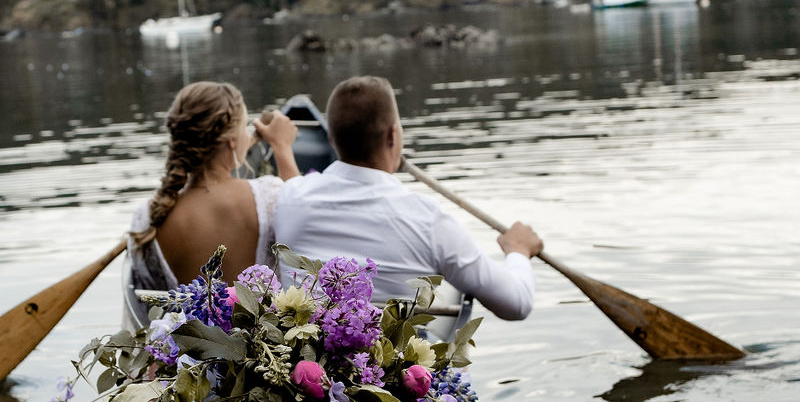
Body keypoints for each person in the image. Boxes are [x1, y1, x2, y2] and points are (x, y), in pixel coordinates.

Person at [273, 75, 542, 325]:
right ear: (392, 136)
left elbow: (295, 187)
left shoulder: (288, 198)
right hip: (398, 374)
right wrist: (517, 250)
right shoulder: (428, 220)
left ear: (331, 138)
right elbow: (516, 303)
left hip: (308, 369)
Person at [123, 81, 299, 326]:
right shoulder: (270, 194)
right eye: (244, 127)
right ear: (231, 141)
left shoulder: (148, 216)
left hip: (189, 360)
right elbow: (306, 221)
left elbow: (148, 303)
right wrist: (282, 147)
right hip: (265, 355)